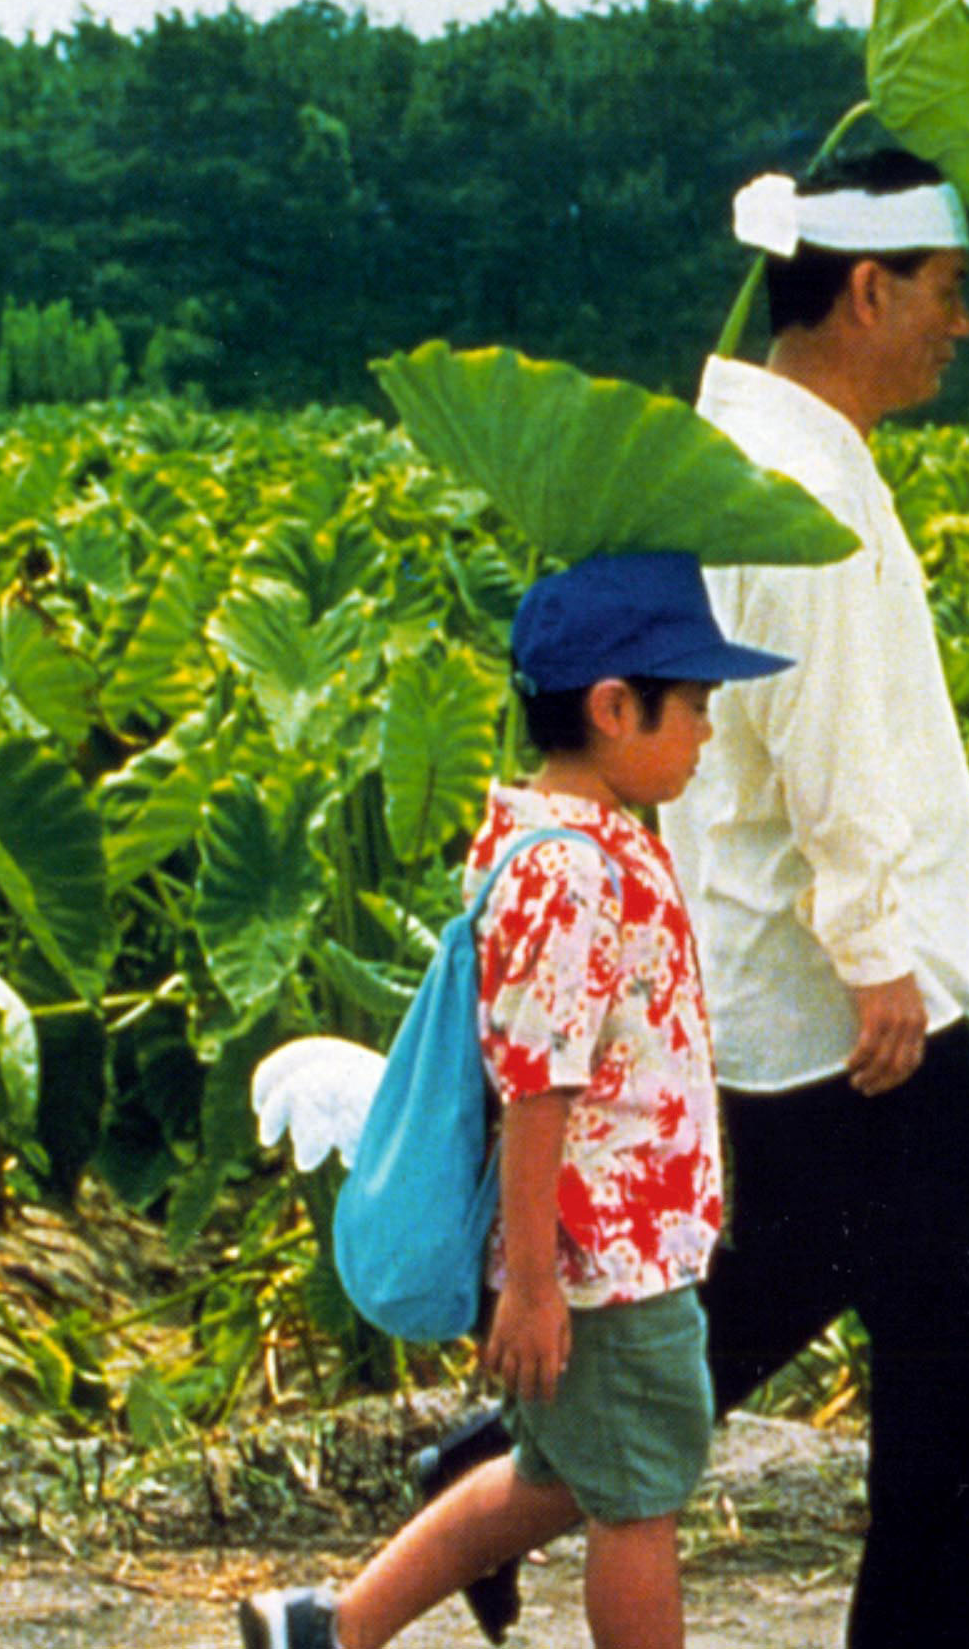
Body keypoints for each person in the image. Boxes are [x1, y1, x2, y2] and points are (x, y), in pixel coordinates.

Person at [417, 147, 969, 1649]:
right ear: (867, 286)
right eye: (948, 294)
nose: (963, 325)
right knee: (958, 1330)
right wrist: (884, 954)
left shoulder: (770, 450)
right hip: (843, 1005)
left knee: (753, 1304)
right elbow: (834, 749)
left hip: (774, 989)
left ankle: (490, 1470)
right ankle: (925, 1629)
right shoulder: (795, 484)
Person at [239, 551, 790, 1649]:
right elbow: (539, 1089)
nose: (707, 731)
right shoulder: (569, 873)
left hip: (604, 1256)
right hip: (601, 1265)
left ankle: (330, 1629)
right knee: (635, 1504)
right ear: (613, 706)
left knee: (553, 1476)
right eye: (694, 704)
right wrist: (532, 1286)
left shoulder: (572, 842)